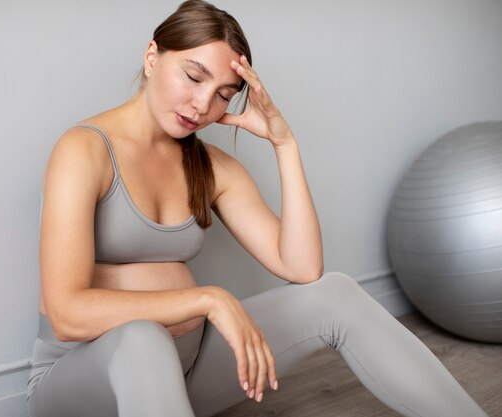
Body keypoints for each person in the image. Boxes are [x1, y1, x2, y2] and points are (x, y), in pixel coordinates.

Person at [26, 1, 488, 416]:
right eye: (193, 76)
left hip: (184, 374)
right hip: (80, 382)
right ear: (152, 57)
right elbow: (67, 313)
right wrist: (208, 298)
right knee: (142, 336)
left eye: (225, 93)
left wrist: (284, 145)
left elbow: (303, 268)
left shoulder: (210, 166)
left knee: (337, 292)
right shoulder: (83, 150)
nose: (203, 105)